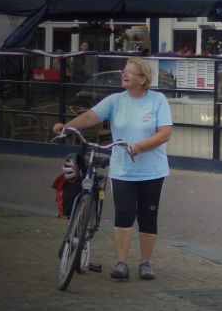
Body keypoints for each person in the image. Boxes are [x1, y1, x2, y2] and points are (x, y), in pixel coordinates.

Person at [53, 57, 172, 281]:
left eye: (131, 72)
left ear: (143, 79)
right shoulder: (116, 101)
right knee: (124, 213)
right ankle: (121, 263)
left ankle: (145, 263)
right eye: (124, 71)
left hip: (153, 170)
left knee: (148, 216)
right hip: (122, 170)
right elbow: (91, 116)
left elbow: (164, 133)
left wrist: (139, 146)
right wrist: (66, 127)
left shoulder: (158, 100)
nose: (124, 75)